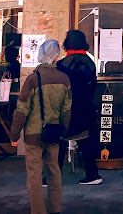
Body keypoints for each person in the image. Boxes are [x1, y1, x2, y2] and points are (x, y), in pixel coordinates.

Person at [9, 40, 72, 214]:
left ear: (40, 55)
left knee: (34, 176)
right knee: (54, 172)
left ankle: (38, 211)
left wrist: (14, 134)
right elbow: (67, 110)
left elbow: (22, 110)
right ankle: (55, 209)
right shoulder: (64, 79)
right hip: (54, 133)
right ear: (56, 57)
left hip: (33, 135)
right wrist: (64, 130)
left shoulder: (33, 79)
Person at [56, 30, 101, 185]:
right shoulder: (90, 62)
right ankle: (93, 174)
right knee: (84, 141)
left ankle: (53, 176)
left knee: (59, 142)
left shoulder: (63, 64)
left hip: (67, 109)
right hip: (85, 107)